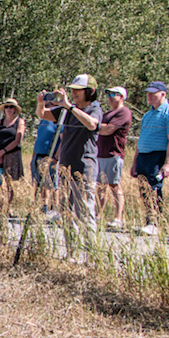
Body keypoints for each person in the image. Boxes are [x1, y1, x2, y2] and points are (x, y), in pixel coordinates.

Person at [36, 74, 103, 229]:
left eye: (79, 90)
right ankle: (70, 252)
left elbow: (92, 124)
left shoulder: (94, 109)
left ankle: (89, 252)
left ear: (91, 91)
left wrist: (70, 107)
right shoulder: (66, 110)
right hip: (66, 169)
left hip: (84, 168)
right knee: (67, 216)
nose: (74, 93)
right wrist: (40, 103)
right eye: (73, 90)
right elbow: (43, 114)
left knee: (84, 214)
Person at [131, 81, 169, 236]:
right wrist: (135, 161)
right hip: (144, 155)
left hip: (157, 155)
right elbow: (142, 139)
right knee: (144, 189)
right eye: (148, 93)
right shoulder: (147, 115)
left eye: (153, 93)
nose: (150, 96)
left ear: (163, 94)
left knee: (154, 187)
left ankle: (155, 222)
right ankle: (148, 220)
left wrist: (168, 163)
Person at [96, 86, 132, 229]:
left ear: (121, 96)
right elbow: (102, 128)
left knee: (114, 185)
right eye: (108, 94)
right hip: (101, 153)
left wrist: (95, 126)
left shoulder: (124, 112)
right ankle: (98, 215)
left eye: (113, 94)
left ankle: (118, 218)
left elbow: (108, 130)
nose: (110, 97)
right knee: (101, 186)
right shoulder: (108, 113)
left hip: (113, 153)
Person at [0, 99, 25, 217]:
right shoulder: (0, 122)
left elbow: (17, 140)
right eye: (7, 107)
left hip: (12, 154)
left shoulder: (20, 121)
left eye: (11, 107)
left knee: (9, 182)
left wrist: (3, 151)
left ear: (15, 109)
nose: (9, 109)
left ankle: (7, 207)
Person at [30, 115, 58, 212]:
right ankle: (41, 207)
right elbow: (38, 138)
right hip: (38, 155)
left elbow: (62, 140)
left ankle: (54, 208)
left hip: (50, 156)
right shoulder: (43, 120)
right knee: (39, 183)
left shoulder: (58, 120)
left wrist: (56, 158)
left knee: (51, 184)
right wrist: (33, 156)